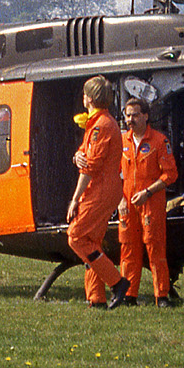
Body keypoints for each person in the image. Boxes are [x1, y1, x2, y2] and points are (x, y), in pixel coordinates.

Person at [67, 75, 134, 309]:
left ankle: (116, 283)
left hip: (101, 190)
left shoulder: (101, 125)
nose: (83, 98)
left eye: (86, 94)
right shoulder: (97, 124)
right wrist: (77, 156)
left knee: (76, 236)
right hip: (105, 188)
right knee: (91, 241)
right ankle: (96, 298)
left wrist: (75, 199)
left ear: (91, 98)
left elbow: (90, 166)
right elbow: (85, 154)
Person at [118, 96, 179, 307]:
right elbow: (111, 174)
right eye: (127, 116)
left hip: (151, 203)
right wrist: (119, 200)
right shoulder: (120, 142)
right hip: (127, 204)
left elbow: (170, 174)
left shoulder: (159, 141)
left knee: (155, 248)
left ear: (145, 116)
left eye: (135, 115)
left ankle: (161, 295)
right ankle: (128, 295)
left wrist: (148, 192)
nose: (130, 120)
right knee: (128, 250)